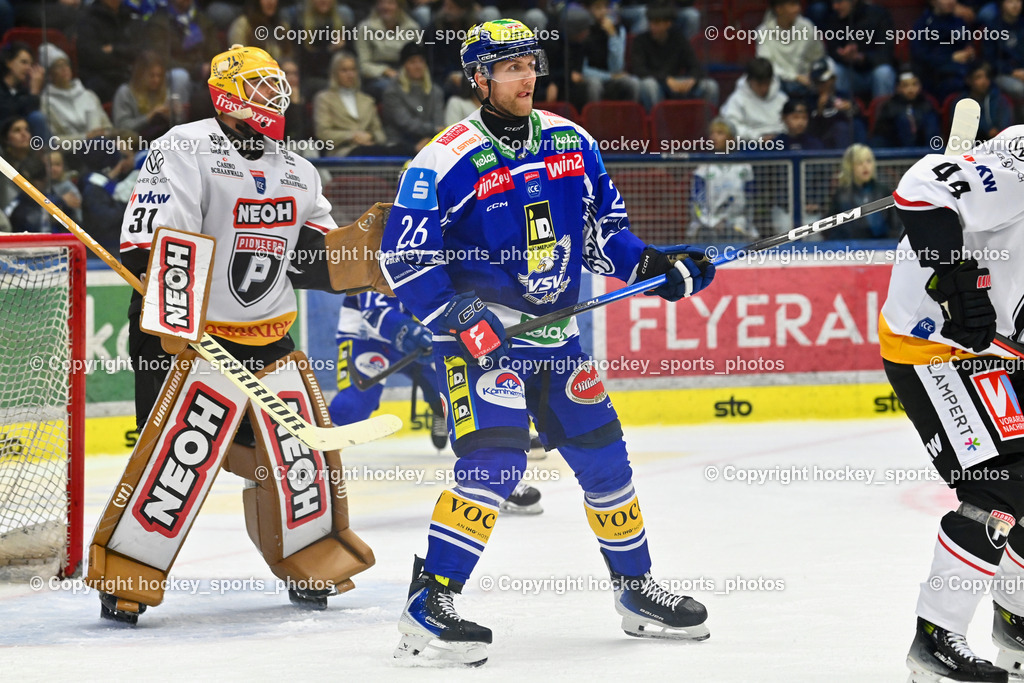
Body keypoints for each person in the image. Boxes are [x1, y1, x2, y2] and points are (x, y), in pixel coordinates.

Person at [381, 19, 716, 666]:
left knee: (606, 460)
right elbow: (405, 255)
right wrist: (457, 313)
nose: (526, 76)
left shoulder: (572, 141)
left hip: (557, 340)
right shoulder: (443, 158)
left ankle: (635, 588)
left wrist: (654, 266)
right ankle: (429, 602)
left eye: (530, 63)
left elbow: (604, 234)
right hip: (482, 344)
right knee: (495, 465)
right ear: (479, 79)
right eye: (509, 68)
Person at [90, 44, 375, 625]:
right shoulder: (185, 146)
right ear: (226, 96)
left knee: (295, 456)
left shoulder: (296, 168)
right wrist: (176, 322)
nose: (276, 96)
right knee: (176, 458)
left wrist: (366, 257)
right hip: (185, 330)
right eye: (260, 86)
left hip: (267, 336)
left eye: (277, 85)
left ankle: (307, 553)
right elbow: (158, 242)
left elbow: (311, 258)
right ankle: (129, 572)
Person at [881, 126, 1024, 683]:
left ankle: (1015, 623)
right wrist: (956, 275)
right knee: (999, 483)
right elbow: (921, 188)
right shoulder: (1017, 172)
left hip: (1000, 345)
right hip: (936, 343)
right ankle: (936, 639)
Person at [329, 292, 543, 513]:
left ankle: (495, 478)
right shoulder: (377, 256)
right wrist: (406, 331)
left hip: (432, 332)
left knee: (465, 393)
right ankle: (314, 472)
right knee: (353, 405)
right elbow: (373, 309)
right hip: (368, 336)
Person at [313, 51, 411, 157]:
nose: (350, 74)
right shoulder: (324, 99)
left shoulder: (367, 100)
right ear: (335, 73)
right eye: (344, 70)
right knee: (366, 152)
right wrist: (352, 136)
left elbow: (380, 134)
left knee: (400, 150)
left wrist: (370, 136)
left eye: (353, 70)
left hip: (370, 148)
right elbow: (323, 133)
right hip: (342, 152)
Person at [631, 0, 718, 111]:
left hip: (678, 82)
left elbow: (695, 65)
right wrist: (666, 80)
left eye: (657, 23)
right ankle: (658, 124)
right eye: (651, 23)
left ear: (668, 24)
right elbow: (639, 70)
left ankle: (704, 124)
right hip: (658, 83)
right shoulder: (640, 41)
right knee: (648, 85)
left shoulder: (679, 39)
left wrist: (692, 79)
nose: (652, 27)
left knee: (710, 86)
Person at [688, 118, 754, 241]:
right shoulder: (702, 169)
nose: (714, 137)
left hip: (737, 222)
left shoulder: (744, 168)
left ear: (731, 138)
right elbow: (696, 203)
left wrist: (739, 224)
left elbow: (749, 201)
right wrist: (713, 222)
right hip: (708, 224)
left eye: (720, 133)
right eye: (712, 133)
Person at [38, 43, 113, 145]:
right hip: (73, 152)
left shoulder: (89, 95)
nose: (64, 69)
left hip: (101, 145)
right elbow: (54, 141)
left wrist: (103, 133)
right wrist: (84, 137)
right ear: (50, 74)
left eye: (66, 64)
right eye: (58, 66)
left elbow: (107, 126)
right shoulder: (45, 102)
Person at [822, 0, 896, 102]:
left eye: (839, 2)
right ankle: (842, 113)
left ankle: (882, 114)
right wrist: (843, 55)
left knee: (884, 72)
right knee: (835, 71)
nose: (835, 7)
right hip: (849, 73)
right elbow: (832, 51)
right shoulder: (833, 18)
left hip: (873, 71)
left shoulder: (878, 15)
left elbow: (886, 52)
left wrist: (862, 57)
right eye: (833, 2)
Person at [756, 0, 826, 105]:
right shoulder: (763, 32)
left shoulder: (807, 27)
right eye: (792, 5)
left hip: (806, 81)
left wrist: (811, 75)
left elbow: (818, 56)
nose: (797, 9)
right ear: (778, 9)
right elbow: (766, 65)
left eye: (797, 4)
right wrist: (794, 77)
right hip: (779, 82)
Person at [381, 42, 445, 153]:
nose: (418, 66)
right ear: (404, 66)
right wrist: (433, 129)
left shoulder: (436, 91)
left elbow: (439, 122)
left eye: (421, 61)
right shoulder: (392, 91)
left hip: (429, 143)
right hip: (400, 144)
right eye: (412, 62)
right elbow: (405, 123)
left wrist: (430, 139)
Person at [828, 143, 897, 239]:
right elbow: (831, 230)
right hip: (850, 249)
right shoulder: (841, 195)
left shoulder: (883, 191)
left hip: (882, 248)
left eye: (868, 161)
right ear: (850, 167)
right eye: (860, 163)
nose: (865, 166)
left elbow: (895, 225)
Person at [112, 51, 177, 142]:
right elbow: (122, 127)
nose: (156, 80)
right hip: (134, 143)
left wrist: (175, 115)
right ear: (140, 75)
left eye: (159, 76)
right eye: (152, 75)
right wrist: (149, 117)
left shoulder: (164, 91)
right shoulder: (125, 93)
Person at [720, 57, 788, 142]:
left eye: (767, 83)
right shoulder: (736, 100)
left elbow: (789, 123)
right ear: (749, 81)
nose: (764, 89)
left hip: (781, 144)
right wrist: (757, 137)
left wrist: (779, 135)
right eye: (759, 84)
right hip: (749, 147)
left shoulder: (782, 99)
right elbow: (732, 127)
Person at [871, 69, 942, 149]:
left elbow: (934, 136)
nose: (911, 89)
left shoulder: (927, 106)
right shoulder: (889, 108)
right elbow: (880, 137)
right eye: (905, 85)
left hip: (924, 153)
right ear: (898, 88)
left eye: (914, 84)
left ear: (920, 86)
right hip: (896, 154)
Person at [956, 62, 1013, 142]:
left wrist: (997, 132)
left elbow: (1006, 126)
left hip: (997, 145)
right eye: (978, 77)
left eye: (987, 77)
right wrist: (987, 130)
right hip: (968, 146)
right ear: (969, 80)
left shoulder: (999, 99)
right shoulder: (961, 102)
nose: (984, 81)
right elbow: (959, 129)